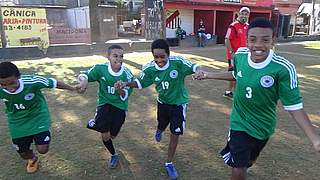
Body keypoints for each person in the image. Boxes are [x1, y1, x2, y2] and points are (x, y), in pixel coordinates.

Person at [193, 18, 320, 180]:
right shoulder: (240, 56)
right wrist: (209, 75)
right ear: (246, 40)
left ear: (273, 41)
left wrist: (315, 139)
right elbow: (236, 74)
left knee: (248, 161)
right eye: (253, 40)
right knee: (238, 167)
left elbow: (294, 106)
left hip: (263, 127)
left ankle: (248, 162)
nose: (258, 45)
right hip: (239, 122)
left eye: (265, 40)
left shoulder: (283, 68)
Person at [114, 39, 203, 179]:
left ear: (168, 54)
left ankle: (169, 163)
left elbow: (194, 66)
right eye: (156, 56)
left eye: (162, 56)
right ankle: (160, 129)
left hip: (179, 104)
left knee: (176, 133)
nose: (159, 60)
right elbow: (140, 82)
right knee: (162, 123)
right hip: (162, 103)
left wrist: (199, 71)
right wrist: (125, 83)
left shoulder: (177, 62)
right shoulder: (150, 68)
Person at [0, 61, 77, 173]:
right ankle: (32, 158)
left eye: (12, 83)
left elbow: (54, 83)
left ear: (19, 77)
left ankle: (44, 131)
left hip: (38, 116)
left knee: (43, 149)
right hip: (16, 122)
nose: (9, 88)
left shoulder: (32, 81)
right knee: (23, 153)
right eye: (3, 85)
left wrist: (73, 88)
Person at [77, 45, 134, 169]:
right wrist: (84, 81)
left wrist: (120, 91)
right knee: (105, 134)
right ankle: (114, 154)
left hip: (120, 106)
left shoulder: (127, 74)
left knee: (113, 135)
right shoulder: (100, 69)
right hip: (105, 103)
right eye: (115, 56)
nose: (119, 59)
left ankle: (95, 123)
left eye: (121, 56)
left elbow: (126, 94)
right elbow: (85, 75)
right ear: (108, 56)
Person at [224, 7, 250, 99]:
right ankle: (235, 94)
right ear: (239, 14)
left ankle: (229, 92)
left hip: (244, 55)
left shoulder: (248, 26)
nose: (244, 16)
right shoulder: (234, 26)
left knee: (239, 73)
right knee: (234, 74)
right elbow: (227, 39)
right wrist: (232, 52)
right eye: (242, 13)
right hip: (234, 55)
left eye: (246, 14)